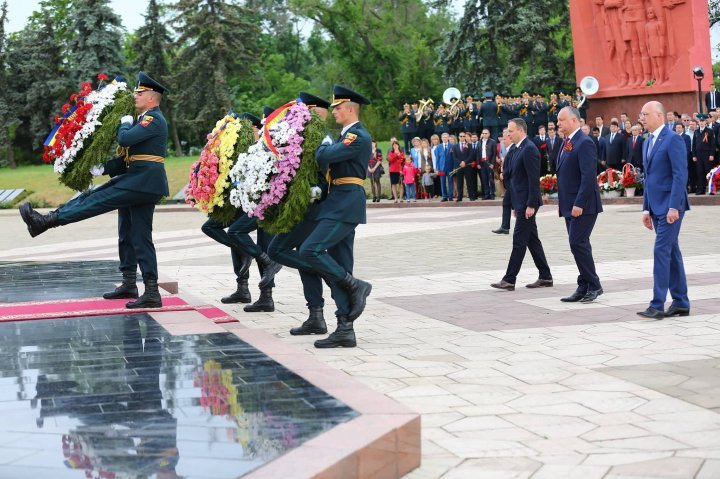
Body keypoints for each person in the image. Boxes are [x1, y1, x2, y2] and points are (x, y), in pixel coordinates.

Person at [20, 71, 170, 309]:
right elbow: (130, 158)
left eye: (139, 93)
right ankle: (136, 285)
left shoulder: (153, 120)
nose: (135, 96)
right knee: (132, 235)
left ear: (151, 98)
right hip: (139, 178)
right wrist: (102, 168)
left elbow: (126, 140)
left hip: (143, 181)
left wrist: (124, 123)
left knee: (96, 199)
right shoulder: (146, 119)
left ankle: (48, 221)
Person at [275, 85, 373, 349]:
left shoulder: (357, 136)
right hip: (338, 201)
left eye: (338, 108)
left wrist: (321, 152)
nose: (335, 112)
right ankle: (345, 328)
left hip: (346, 202)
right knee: (341, 262)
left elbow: (326, 155)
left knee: (310, 250)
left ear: (351, 108)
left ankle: (356, 285)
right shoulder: (346, 135)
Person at [268, 91, 345, 336]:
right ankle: (316, 316)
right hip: (301, 206)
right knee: (303, 257)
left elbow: (327, 172)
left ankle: (330, 279)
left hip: (314, 206)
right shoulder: (303, 135)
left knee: (277, 250)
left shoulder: (322, 137)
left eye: (306, 110)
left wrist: (317, 189)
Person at [200, 112, 262, 305]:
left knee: (242, 237)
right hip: (234, 201)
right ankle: (242, 288)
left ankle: (264, 293)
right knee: (211, 227)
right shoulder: (234, 146)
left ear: (255, 128)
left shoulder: (260, 146)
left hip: (254, 204)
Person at [637, 101, 690, 319]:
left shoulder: (673, 139)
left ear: (659, 116)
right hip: (656, 206)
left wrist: (673, 207)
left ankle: (657, 304)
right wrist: (645, 209)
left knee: (661, 251)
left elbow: (680, 175)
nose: (641, 118)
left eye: (645, 114)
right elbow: (649, 178)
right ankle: (681, 302)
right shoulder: (647, 142)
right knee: (671, 252)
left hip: (671, 207)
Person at [490, 118, 552, 291]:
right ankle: (546, 276)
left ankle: (509, 279)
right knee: (532, 240)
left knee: (519, 241)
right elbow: (515, 179)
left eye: (511, 131)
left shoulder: (529, 149)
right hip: (521, 203)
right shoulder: (518, 149)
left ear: (521, 131)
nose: (508, 134)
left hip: (528, 203)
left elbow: (533, 180)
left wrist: (531, 205)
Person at [555, 107, 604, 303]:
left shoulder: (584, 142)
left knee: (577, 242)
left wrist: (579, 203)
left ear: (574, 121)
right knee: (579, 245)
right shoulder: (567, 141)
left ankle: (594, 285)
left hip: (583, 205)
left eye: (561, 120)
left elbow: (588, 176)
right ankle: (584, 284)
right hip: (569, 204)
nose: (558, 123)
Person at [493, 128, 514, 234]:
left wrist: (504, 174)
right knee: (506, 203)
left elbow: (512, 166)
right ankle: (505, 227)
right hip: (510, 184)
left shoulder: (513, 149)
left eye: (504, 139)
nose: (502, 141)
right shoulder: (509, 149)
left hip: (514, 184)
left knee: (518, 206)